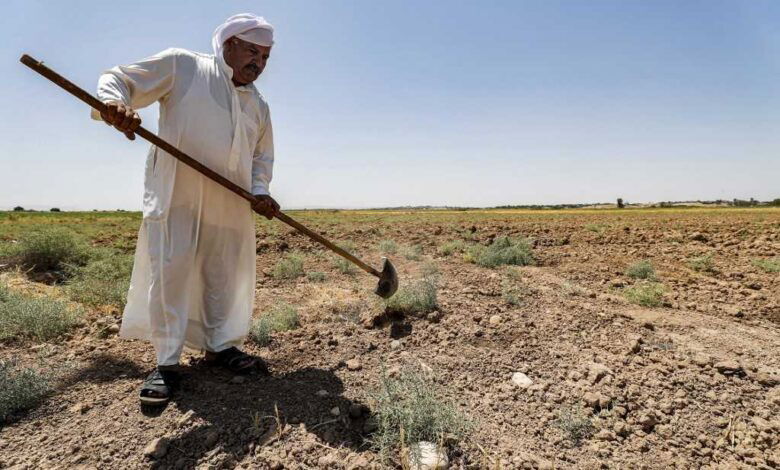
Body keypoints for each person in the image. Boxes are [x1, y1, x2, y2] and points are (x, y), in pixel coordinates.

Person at [93, 13, 280, 405]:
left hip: (231, 203)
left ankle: (222, 347)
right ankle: (166, 363)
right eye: (252, 51)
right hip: (177, 194)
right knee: (171, 273)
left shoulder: (258, 105)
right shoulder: (184, 66)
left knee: (224, 275)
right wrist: (115, 103)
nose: (259, 63)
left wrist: (260, 190)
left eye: (265, 57)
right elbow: (118, 78)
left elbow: (261, 158)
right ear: (228, 44)